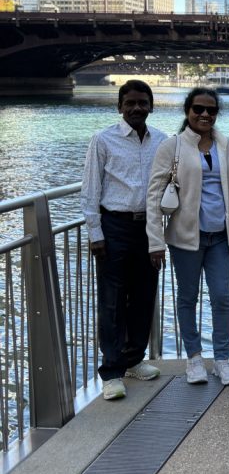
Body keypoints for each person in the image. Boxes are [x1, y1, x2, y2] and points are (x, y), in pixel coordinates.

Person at [146, 88, 229, 386]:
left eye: (211, 110)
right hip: (185, 238)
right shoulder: (172, 147)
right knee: (187, 299)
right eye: (198, 109)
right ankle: (193, 358)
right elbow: (154, 196)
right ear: (187, 111)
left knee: (222, 297)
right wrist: (155, 242)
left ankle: (222, 359)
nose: (205, 115)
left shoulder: (226, 146)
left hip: (220, 237)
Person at [81, 80, 166, 400]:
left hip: (149, 227)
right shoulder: (103, 140)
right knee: (112, 300)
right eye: (130, 103)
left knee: (145, 296)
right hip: (114, 226)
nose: (136, 108)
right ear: (120, 107)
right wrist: (95, 233)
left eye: (143, 103)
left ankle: (134, 360)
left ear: (151, 106)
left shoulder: (161, 140)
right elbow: (90, 190)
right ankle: (112, 371)